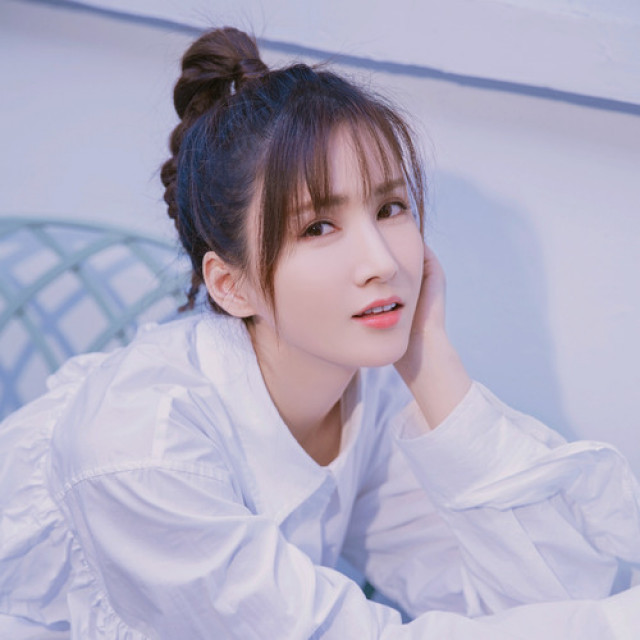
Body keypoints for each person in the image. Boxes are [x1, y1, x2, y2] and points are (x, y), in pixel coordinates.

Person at [1, 26, 639, 639]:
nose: (382, 262)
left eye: (390, 208)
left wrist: (431, 359)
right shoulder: (143, 447)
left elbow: (552, 602)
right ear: (231, 285)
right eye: (318, 227)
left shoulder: (362, 393)